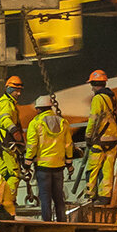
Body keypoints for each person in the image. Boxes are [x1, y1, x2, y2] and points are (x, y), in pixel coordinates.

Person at [25, 93, 73, 221]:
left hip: (43, 167)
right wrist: (69, 163)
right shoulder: (63, 122)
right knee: (59, 197)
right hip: (59, 166)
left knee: (45, 197)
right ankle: (62, 222)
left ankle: (47, 223)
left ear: (38, 109)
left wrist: (27, 162)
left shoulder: (35, 123)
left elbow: (32, 145)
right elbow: (68, 144)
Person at [80, 68, 117, 205]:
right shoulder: (113, 97)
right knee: (107, 169)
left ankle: (90, 196)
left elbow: (93, 119)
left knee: (92, 169)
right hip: (113, 138)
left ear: (93, 84)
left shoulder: (98, 98)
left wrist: (88, 136)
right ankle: (105, 197)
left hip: (100, 139)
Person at [0, 74, 26, 193]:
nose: (19, 94)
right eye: (17, 91)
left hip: (1, 144)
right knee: (14, 174)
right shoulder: (6, 103)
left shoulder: (5, 102)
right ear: (9, 89)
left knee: (3, 173)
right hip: (7, 143)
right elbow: (5, 120)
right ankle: (8, 200)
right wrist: (15, 132)